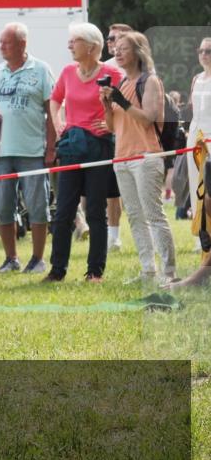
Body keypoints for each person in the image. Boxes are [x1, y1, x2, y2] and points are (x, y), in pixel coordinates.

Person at [46, 23, 122, 282]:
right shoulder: (67, 72)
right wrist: (58, 123)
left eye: (74, 41)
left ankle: (95, 271)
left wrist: (111, 120)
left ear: (91, 46)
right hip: (71, 147)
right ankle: (57, 270)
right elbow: (54, 99)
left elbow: (124, 105)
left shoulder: (112, 73)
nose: (69, 45)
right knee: (64, 209)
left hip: (99, 147)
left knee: (95, 211)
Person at [101, 32, 176, 284]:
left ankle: (169, 272)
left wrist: (120, 101)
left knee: (154, 215)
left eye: (124, 48)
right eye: (116, 49)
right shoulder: (121, 83)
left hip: (146, 156)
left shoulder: (150, 81)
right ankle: (147, 270)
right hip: (121, 157)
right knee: (134, 216)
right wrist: (106, 104)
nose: (117, 52)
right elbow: (112, 127)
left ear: (139, 52)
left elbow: (149, 118)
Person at [0, 22, 56, 275]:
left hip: (32, 151)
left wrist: (51, 148)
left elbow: (52, 110)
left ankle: (38, 259)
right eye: (1, 42)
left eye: (7, 42)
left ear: (22, 44)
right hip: (1, 153)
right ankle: (11, 258)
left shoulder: (41, 69)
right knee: (3, 207)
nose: (1, 47)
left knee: (37, 205)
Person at [103, 23, 133, 251]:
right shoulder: (104, 67)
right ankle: (114, 237)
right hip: (112, 132)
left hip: (135, 133)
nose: (110, 43)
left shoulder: (139, 69)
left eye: (114, 39)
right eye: (109, 39)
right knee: (112, 189)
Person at [187, 37, 211, 247]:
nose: (204, 54)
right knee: (196, 184)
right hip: (196, 134)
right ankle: (199, 234)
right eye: (201, 50)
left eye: (208, 51)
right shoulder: (196, 78)